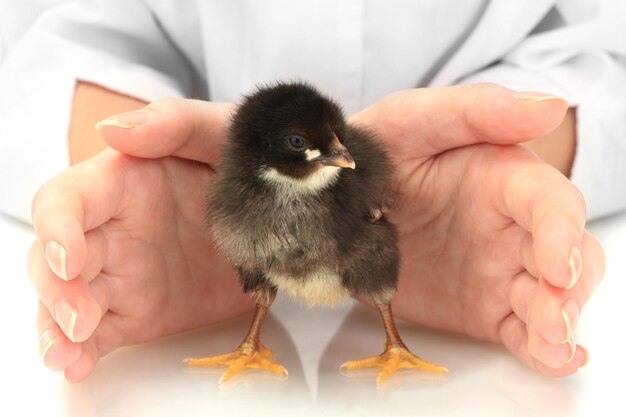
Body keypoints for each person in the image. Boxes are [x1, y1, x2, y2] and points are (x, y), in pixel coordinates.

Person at [2, 0, 623, 383]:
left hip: (469, 228)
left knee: (372, 267)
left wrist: (504, 151)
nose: (341, 156)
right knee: (263, 275)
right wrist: (123, 166)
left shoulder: (352, 180)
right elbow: (38, 45)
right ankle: (252, 340)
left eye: (335, 144)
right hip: (176, 221)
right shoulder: (239, 199)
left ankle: (392, 342)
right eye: (315, 146)